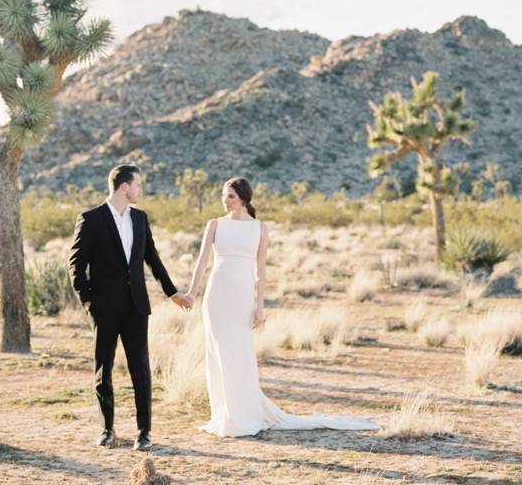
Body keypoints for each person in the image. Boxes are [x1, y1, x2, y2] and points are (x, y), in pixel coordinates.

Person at [182, 177, 379, 437]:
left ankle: (243, 414)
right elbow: (201, 262)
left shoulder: (259, 228)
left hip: (242, 298)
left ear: (242, 198)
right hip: (216, 297)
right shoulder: (215, 225)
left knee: (240, 355)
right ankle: (224, 415)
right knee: (218, 355)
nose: (225, 200)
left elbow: (260, 271)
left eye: (230, 196)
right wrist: (192, 293)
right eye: (223, 195)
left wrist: (260, 307)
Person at [68, 164, 192, 450]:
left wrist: (172, 292)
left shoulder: (139, 218)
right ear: (125, 187)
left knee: (141, 368)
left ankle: (143, 431)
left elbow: (153, 258)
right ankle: (107, 429)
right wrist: (86, 299)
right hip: (103, 307)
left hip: (136, 306)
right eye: (138, 185)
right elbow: (75, 263)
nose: (140, 190)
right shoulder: (90, 219)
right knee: (103, 369)